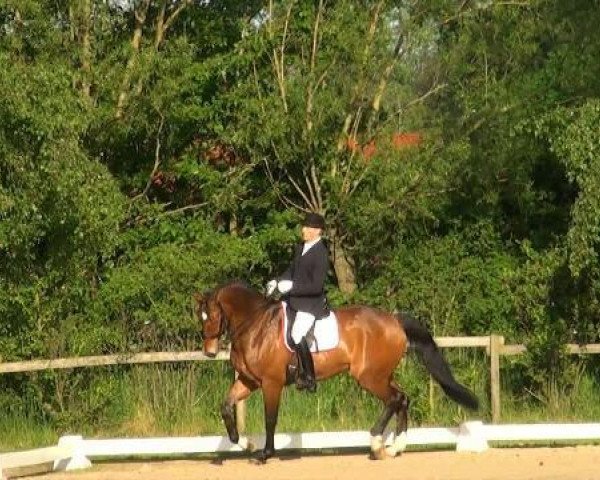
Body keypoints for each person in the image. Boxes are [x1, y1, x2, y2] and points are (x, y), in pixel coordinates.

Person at [266, 212, 329, 393]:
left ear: (317, 231)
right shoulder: (300, 247)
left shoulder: (321, 254)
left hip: (311, 304)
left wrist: (291, 288)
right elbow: (291, 271)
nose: (303, 230)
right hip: (294, 300)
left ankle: (309, 377)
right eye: (304, 226)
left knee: (297, 333)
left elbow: (316, 286)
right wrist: (277, 281)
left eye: (307, 227)